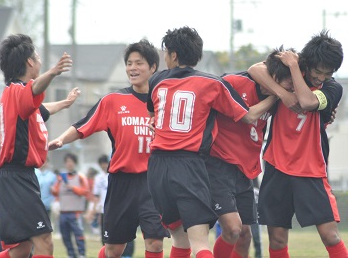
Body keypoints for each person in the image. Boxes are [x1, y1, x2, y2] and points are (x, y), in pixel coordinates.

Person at [146, 26, 278, 258]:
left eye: (165, 52)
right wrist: (278, 95)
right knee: (199, 244)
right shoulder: (212, 83)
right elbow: (247, 115)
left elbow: (154, 113)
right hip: (190, 164)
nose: (164, 57)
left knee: (179, 238)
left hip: (156, 167)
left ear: (174, 55)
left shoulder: (157, 80)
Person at [48, 39, 170, 258]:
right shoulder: (113, 100)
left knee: (154, 242)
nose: (132, 68)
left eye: (139, 63)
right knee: (114, 249)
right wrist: (60, 140)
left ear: (153, 67)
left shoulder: (164, 102)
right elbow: (82, 126)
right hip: (121, 182)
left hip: (153, 182)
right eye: (129, 63)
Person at [248, 30, 348, 258]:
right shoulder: (287, 73)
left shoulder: (332, 88)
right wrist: (283, 93)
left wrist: (295, 71)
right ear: (308, 63)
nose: (321, 77)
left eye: (328, 73)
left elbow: (306, 101)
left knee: (330, 236)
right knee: (277, 238)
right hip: (276, 165)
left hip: (310, 169)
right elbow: (255, 70)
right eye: (317, 71)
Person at [207, 46, 295, 258]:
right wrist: (278, 94)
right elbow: (246, 114)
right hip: (218, 164)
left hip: (245, 170)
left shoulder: (281, 97)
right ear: (273, 77)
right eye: (289, 82)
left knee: (244, 234)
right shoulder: (235, 83)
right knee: (232, 229)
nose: (292, 87)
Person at [0, 33, 73, 258]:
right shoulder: (17, 91)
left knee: (21, 249)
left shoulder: (18, 98)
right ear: (29, 61)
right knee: (44, 241)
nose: (39, 61)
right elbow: (35, 89)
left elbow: (42, 108)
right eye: (37, 56)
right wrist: (53, 72)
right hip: (17, 177)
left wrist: (66, 103)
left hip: (19, 177)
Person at [51, 153, 89, 258]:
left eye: (71, 161)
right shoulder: (60, 178)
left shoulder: (80, 177)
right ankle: (71, 254)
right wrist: (53, 190)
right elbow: (56, 192)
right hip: (63, 212)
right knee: (65, 236)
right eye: (67, 162)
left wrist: (72, 188)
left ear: (75, 163)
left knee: (78, 234)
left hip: (76, 212)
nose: (69, 164)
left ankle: (82, 254)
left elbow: (85, 191)